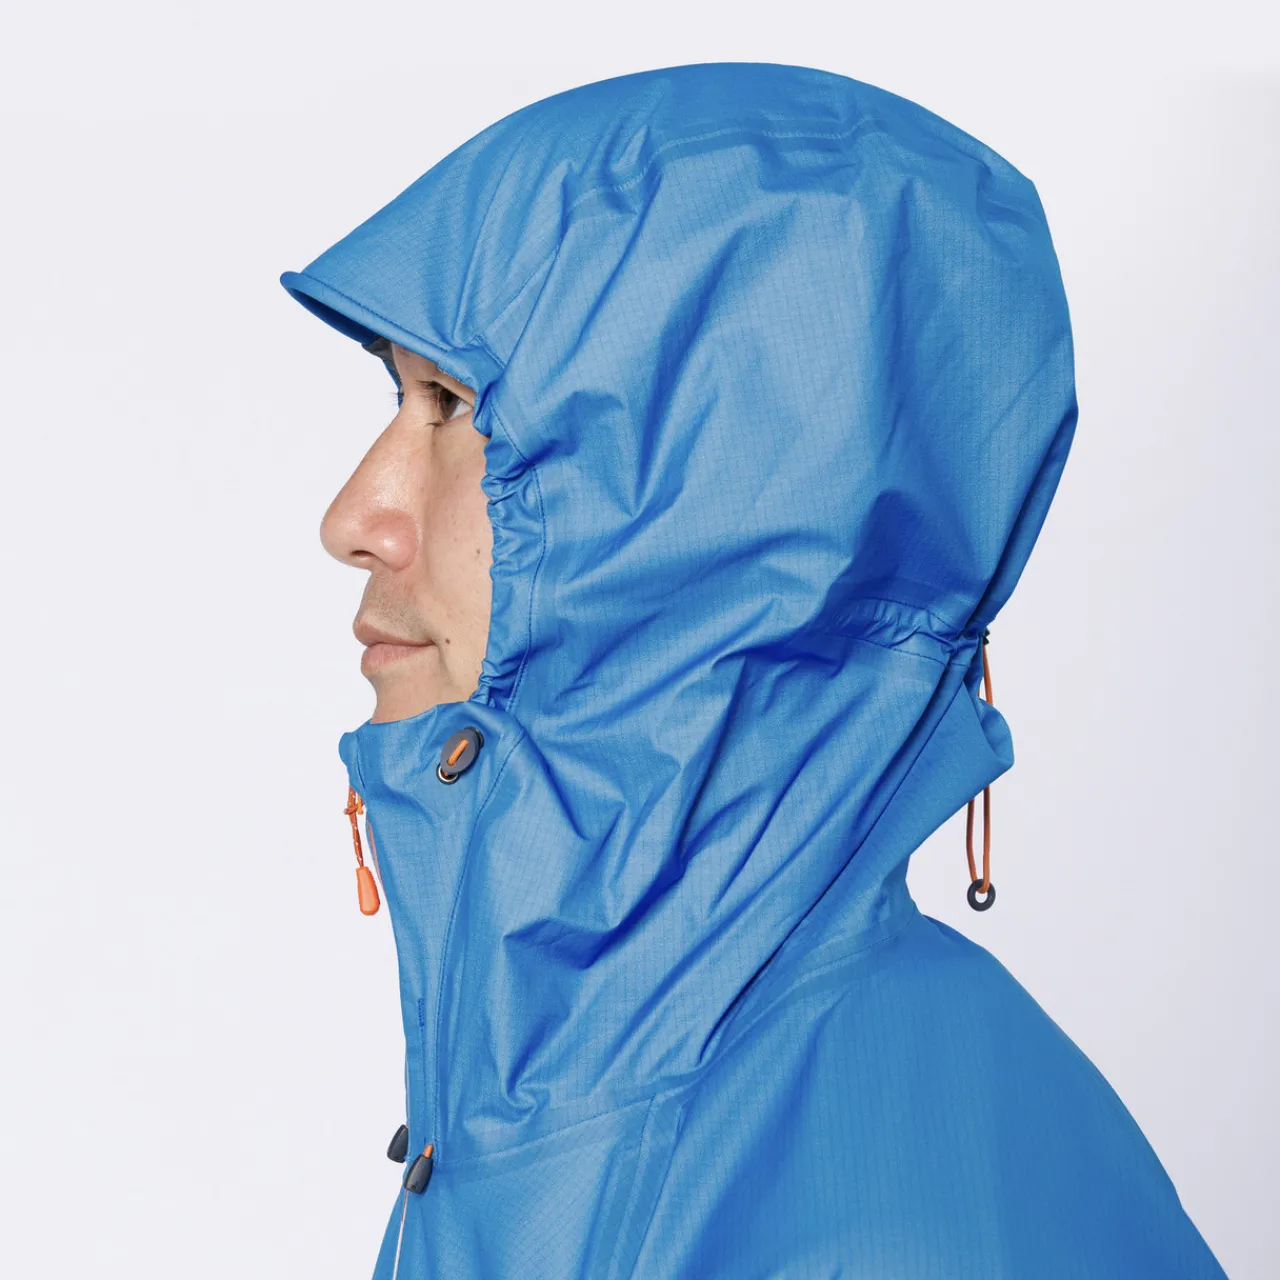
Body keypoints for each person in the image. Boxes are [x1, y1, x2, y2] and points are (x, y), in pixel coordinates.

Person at [281, 62, 1226, 1279]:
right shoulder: (582, 1095)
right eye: (400, 398)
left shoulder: (902, 1233)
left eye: (454, 405)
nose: (355, 517)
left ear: (718, 510)